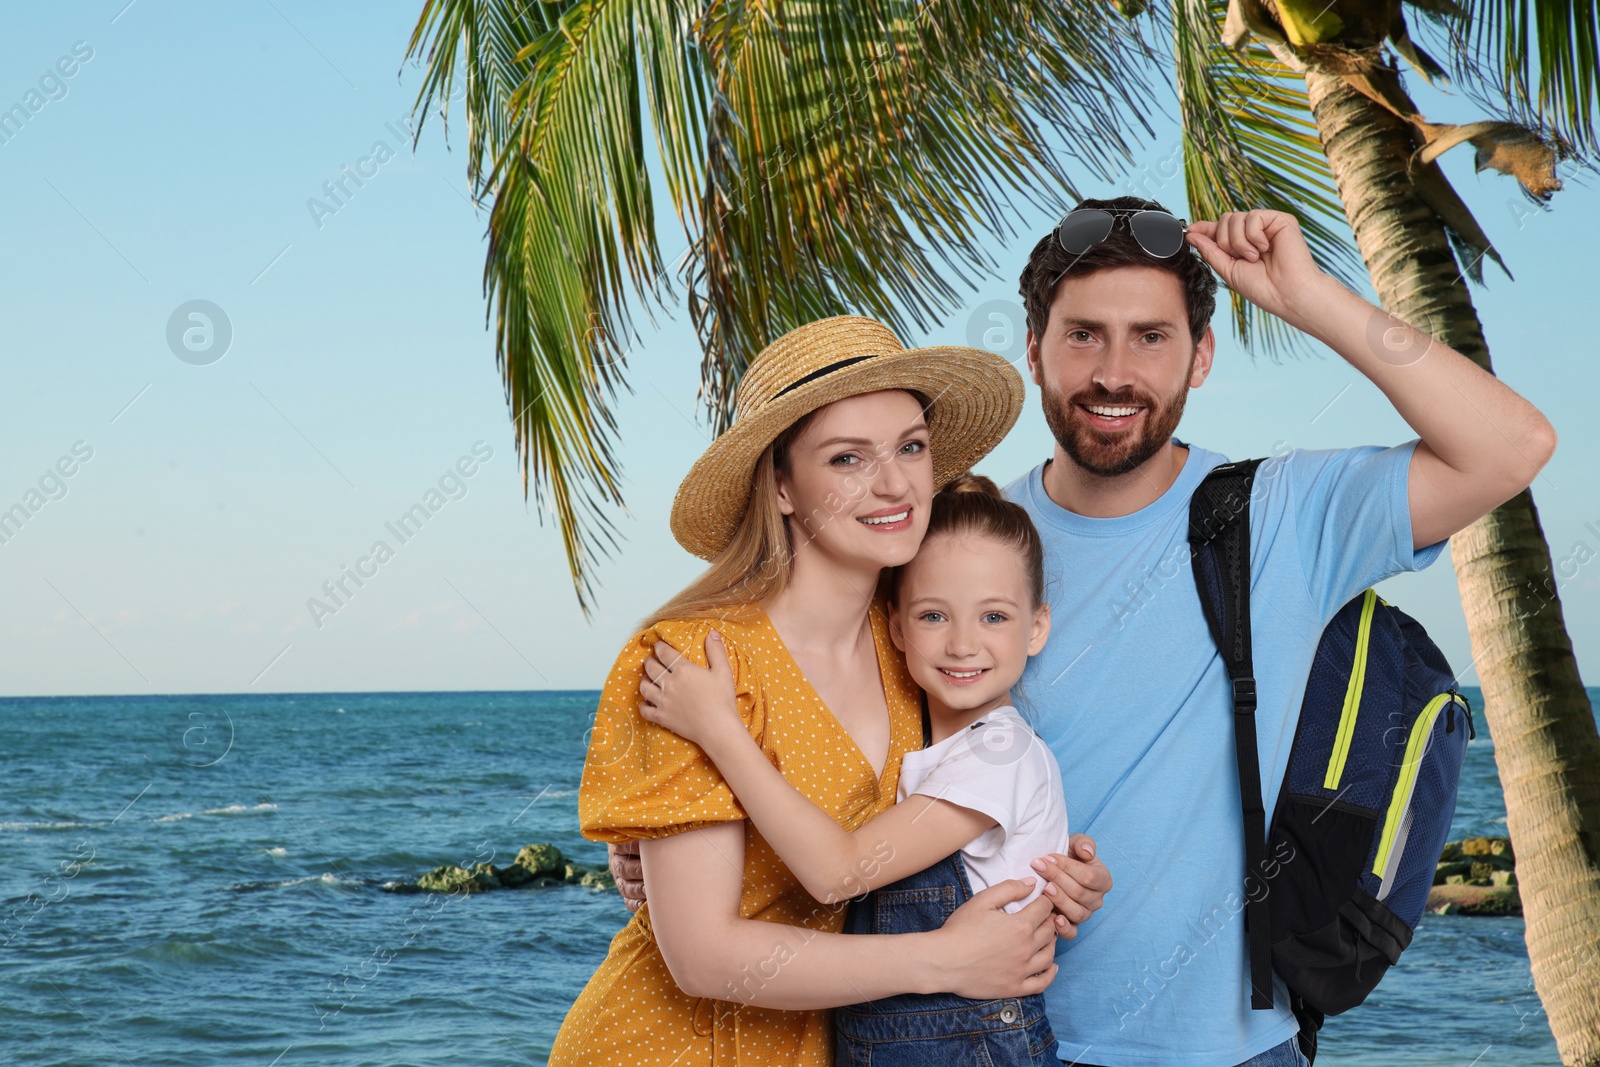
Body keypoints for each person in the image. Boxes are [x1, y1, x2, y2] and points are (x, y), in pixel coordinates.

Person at [1000, 197, 1556, 1066]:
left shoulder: (1282, 513)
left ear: (1202, 355)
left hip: (1237, 1051)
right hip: (1001, 1037)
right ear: (1033, 351)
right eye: (1083, 336)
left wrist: (1313, 300)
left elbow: (1511, 445)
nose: (1114, 372)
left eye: (1152, 337)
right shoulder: (969, 543)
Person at [549, 316, 1103, 1067]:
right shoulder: (696, 659)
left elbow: (952, 818)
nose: (894, 483)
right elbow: (704, 956)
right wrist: (943, 960)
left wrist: (1047, 872)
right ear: (779, 484)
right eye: (848, 457)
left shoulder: (914, 642)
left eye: (911, 446)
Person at [638, 472, 1071, 1065]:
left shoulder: (1003, 756)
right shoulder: (923, 743)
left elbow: (838, 872)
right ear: (894, 625)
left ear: (1037, 628)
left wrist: (719, 731)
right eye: (933, 617)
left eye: (994, 617)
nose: (964, 644)